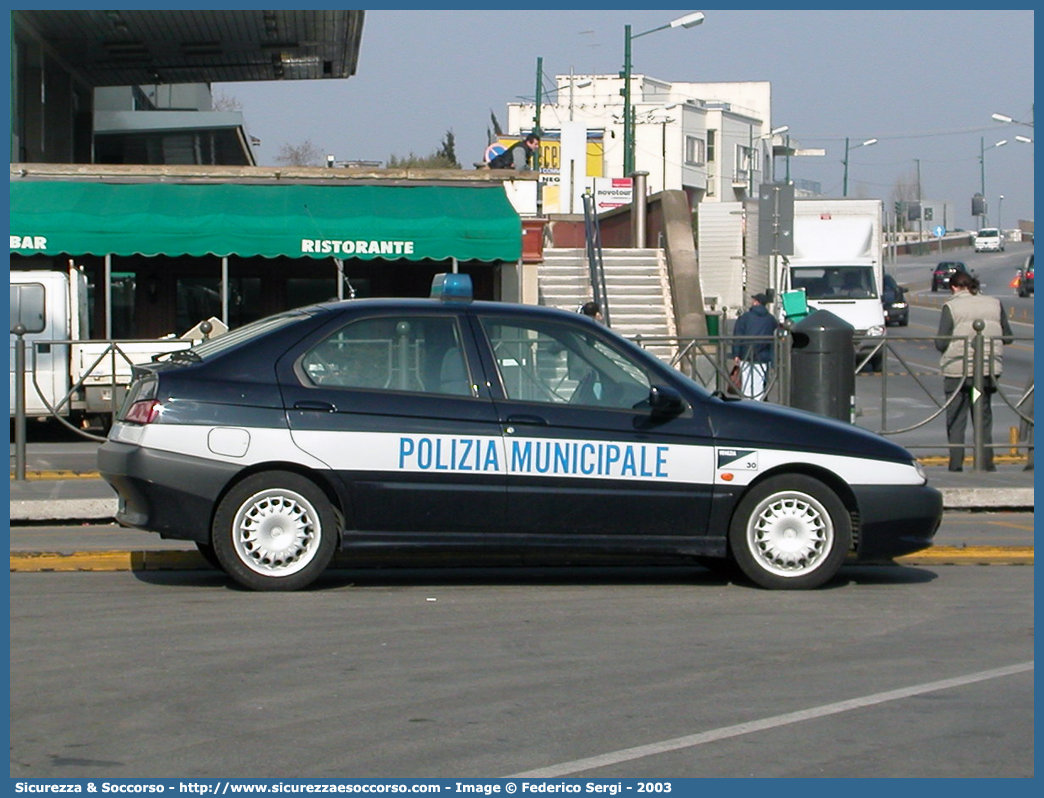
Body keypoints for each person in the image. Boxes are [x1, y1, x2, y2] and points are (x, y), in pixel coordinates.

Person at [935, 269, 1014, 471]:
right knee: (982, 415)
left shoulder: (951, 306)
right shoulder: (994, 303)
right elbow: (1008, 336)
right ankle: (986, 462)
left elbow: (941, 342)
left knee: (956, 418)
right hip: (987, 372)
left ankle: (956, 464)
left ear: (953, 287)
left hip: (958, 373)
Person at [731, 293, 778, 401]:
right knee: (759, 382)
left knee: (747, 382)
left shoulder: (745, 317)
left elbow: (738, 335)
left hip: (746, 353)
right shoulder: (770, 319)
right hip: (763, 355)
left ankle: (747, 405)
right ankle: (758, 404)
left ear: (756, 302)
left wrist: (736, 354)